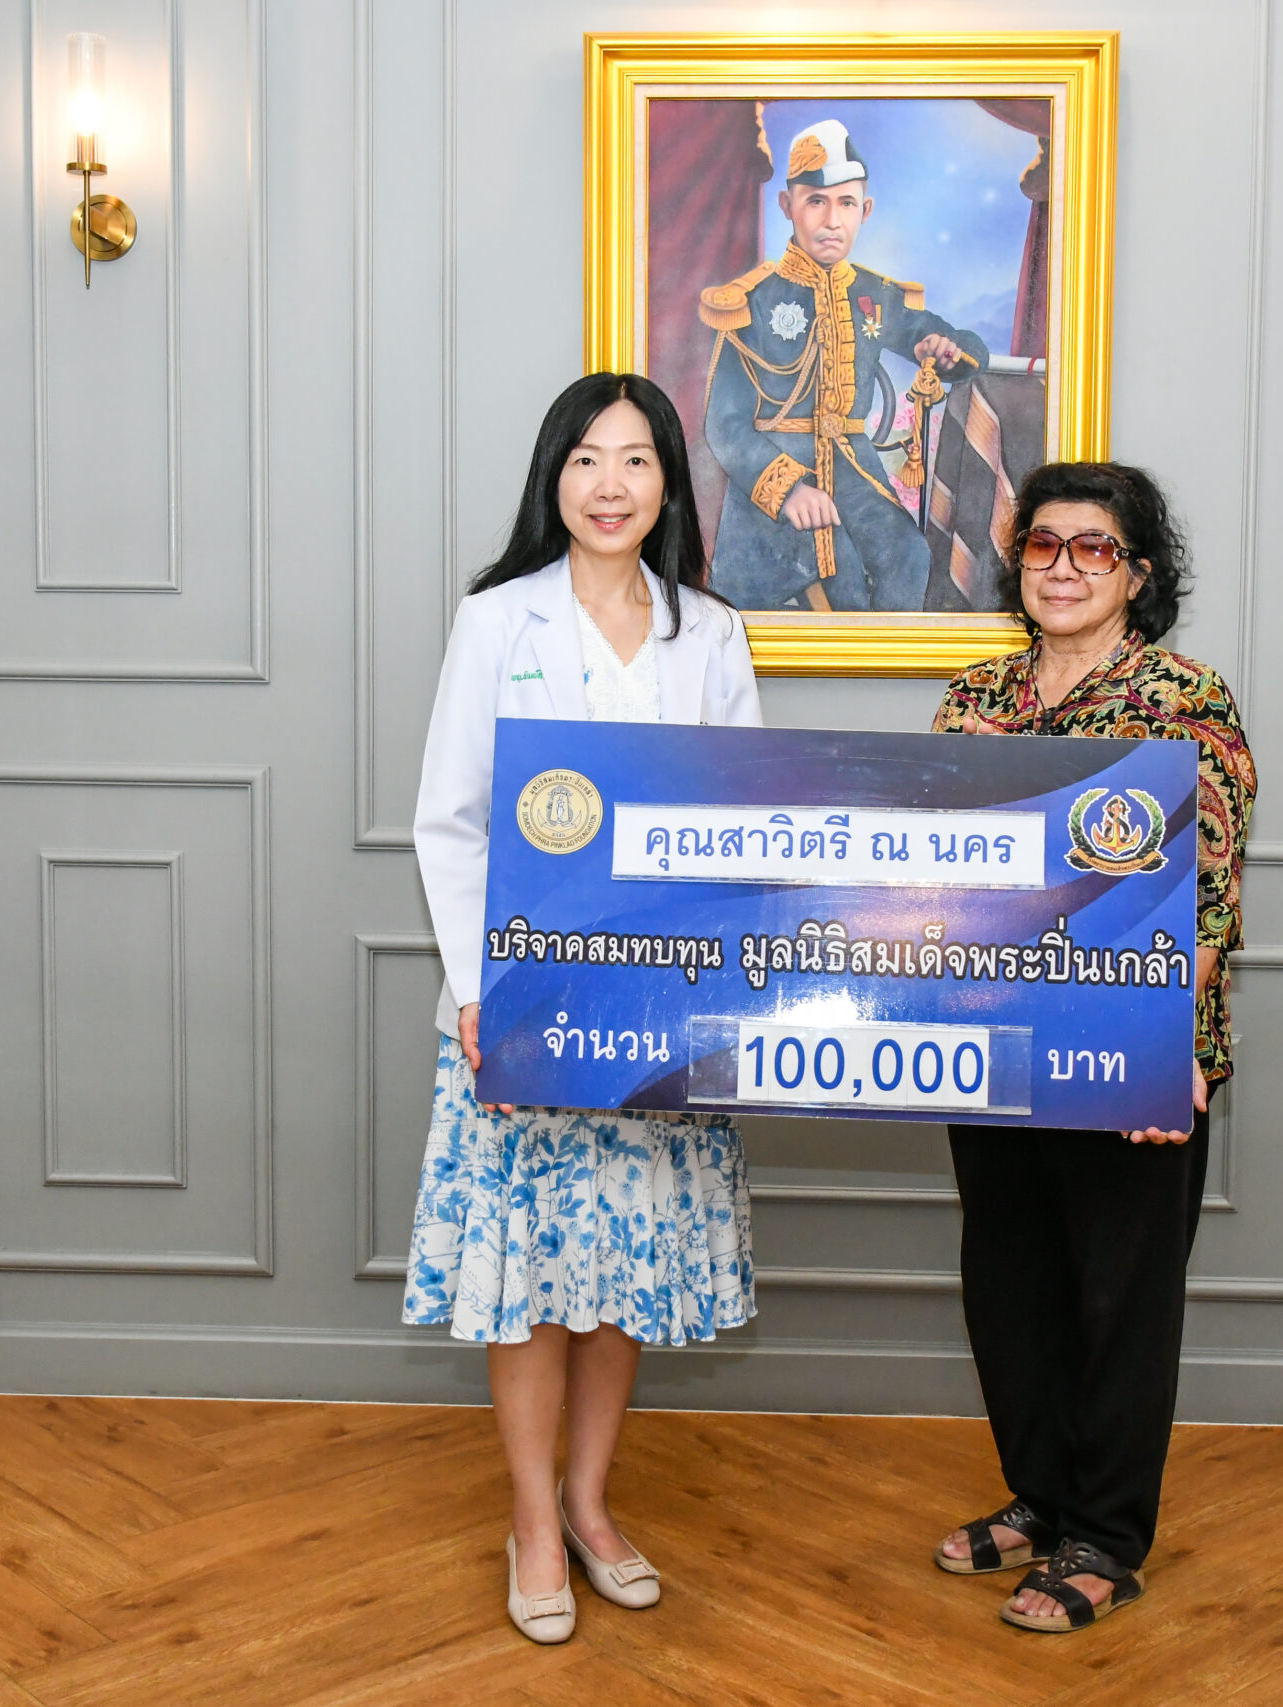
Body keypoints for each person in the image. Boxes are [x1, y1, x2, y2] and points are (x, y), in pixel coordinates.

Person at [407, 372, 763, 1645]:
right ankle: (531, 1523)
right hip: (522, 1008)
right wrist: (479, 992)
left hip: (659, 1015)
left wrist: (723, 994)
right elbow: (450, 819)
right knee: (531, 1279)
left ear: (670, 482)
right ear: (553, 477)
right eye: (585, 460)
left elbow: (746, 826)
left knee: (623, 1276)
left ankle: (593, 1504)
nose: (610, 486)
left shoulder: (708, 633)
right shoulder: (497, 620)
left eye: (636, 461)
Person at [927, 461, 1256, 1634]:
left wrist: (1160, 1055)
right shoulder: (973, 701)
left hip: (1129, 1059)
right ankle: (1043, 1497)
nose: (1062, 567)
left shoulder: (1183, 699)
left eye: (1093, 548)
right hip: (993, 1047)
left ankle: (1106, 1540)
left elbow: (1207, 899)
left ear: (1137, 573)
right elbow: (932, 884)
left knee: (1118, 1303)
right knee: (1011, 1291)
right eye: (1042, 544)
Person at [698, 117, 991, 612]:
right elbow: (724, 426)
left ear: (865, 210)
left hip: (855, 472)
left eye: (847, 203)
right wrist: (789, 490)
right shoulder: (752, 301)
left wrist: (945, 350)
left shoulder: (875, 295)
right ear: (787, 205)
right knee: (845, 585)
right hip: (773, 484)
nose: (832, 220)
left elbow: (960, 345)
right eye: (816, 201)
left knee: (908, 556)